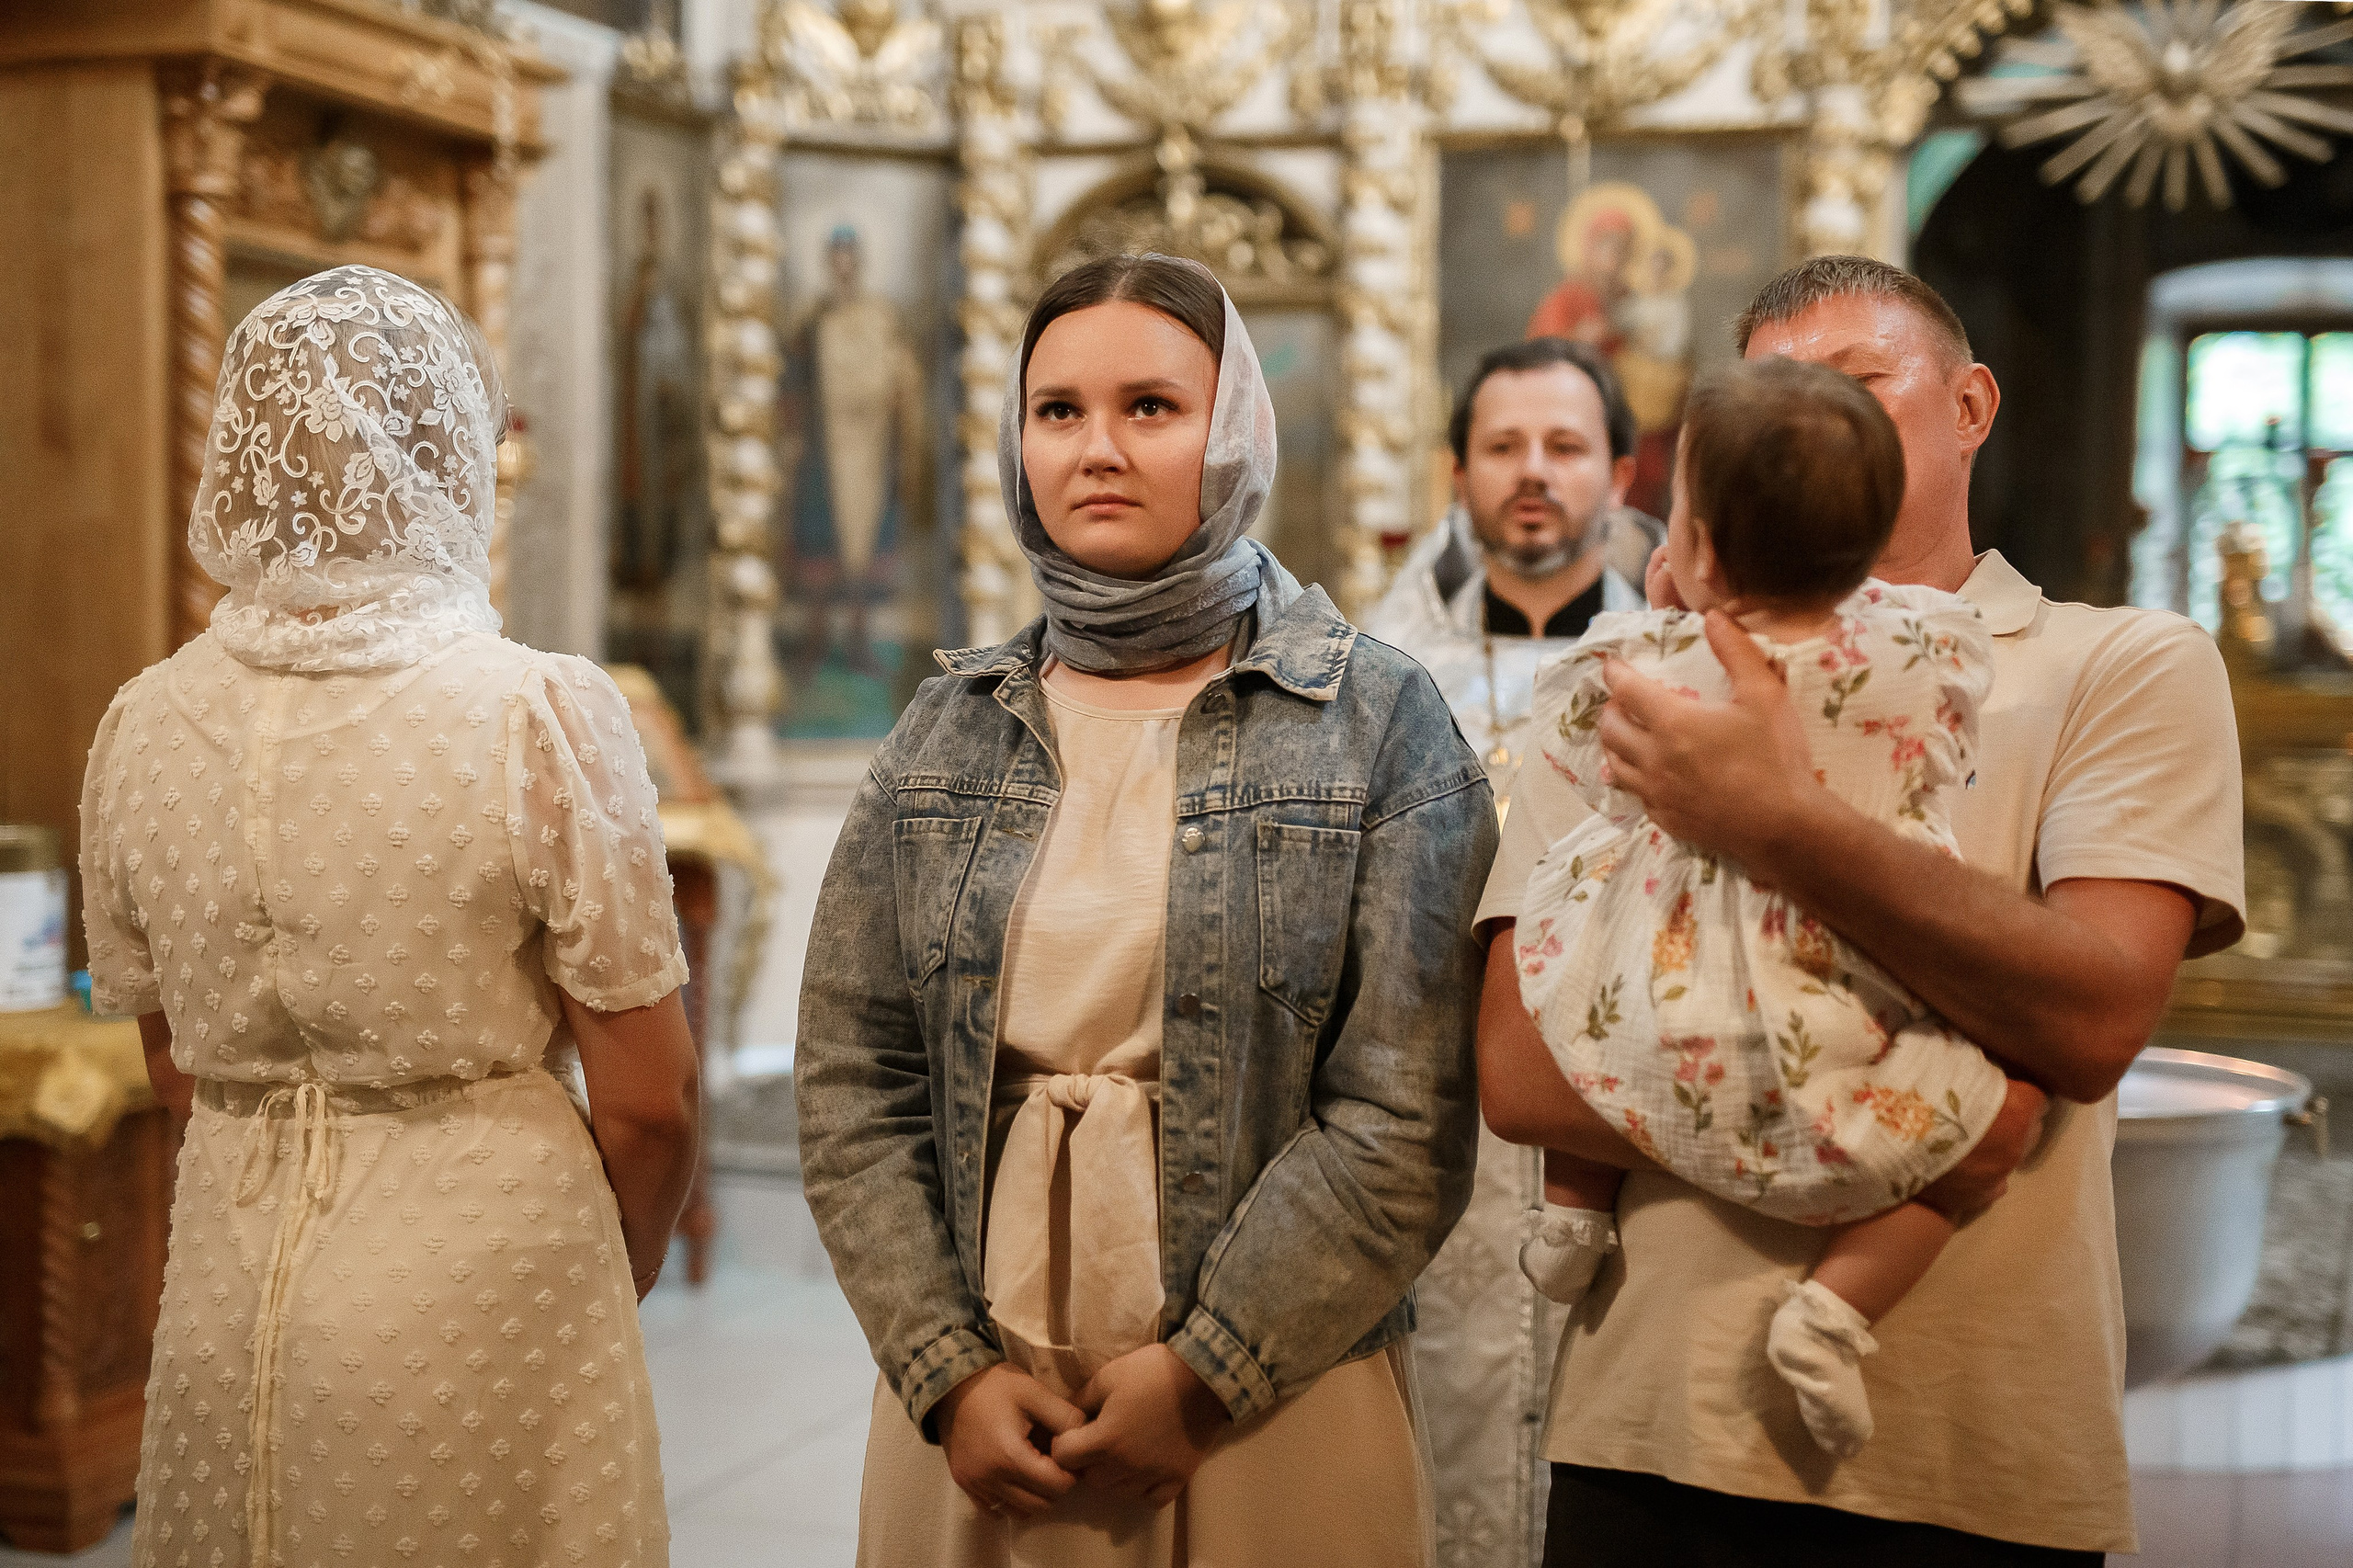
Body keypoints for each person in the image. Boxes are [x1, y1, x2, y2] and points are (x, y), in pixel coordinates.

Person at [1478, 256, 2245, 1565]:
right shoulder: (1642, 682)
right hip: (1650, 1427)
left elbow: (2093, 1013)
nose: (1806, 428)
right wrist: (1915, 1104)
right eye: (1770, 401)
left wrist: (1773, 820)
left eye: (1859, 383)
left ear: (1969, 405)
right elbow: (1523, 1069)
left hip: (1971, 1448)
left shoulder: (2118, 661)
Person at [795, 252, 1494, 1565]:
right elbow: (852, 1077)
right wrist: (946, 1366)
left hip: (1273, 1389)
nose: (1097, 449)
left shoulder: (1378, 723)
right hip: (985, 1383)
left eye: (1151, 408)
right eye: (1057, 410)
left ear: (1231, 433)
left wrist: (1208, 1371)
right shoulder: (947, 732)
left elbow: (1407, 1109)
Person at [79, 266, 700, 1568]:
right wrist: (616, 1258)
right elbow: (649, 1102)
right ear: (449, 457)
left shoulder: (141, 720)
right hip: (483, 1271)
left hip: (230, 1270)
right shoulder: (535, 711)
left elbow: (172, 1068)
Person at [1511, 356, 2038, 1460]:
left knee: (1581, 1003)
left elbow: (1571, 736)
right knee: (1983, 1118)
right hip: (1840, 988)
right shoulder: (1922, 643)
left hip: (1664, 976)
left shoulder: (1639, 658)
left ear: (1690, 545)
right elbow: (1947, 736)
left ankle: (1571, 1209)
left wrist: (1668, 614)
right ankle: (1834, 1310)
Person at [1359, 335, 1653, 1568]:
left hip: (1626, 1124)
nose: (1534, 473)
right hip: (1419, 1126)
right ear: (1457, 467)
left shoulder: (1678, 667)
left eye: (1566, 445)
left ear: (1621, 474)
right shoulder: (1362, 675)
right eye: (1503, 446)